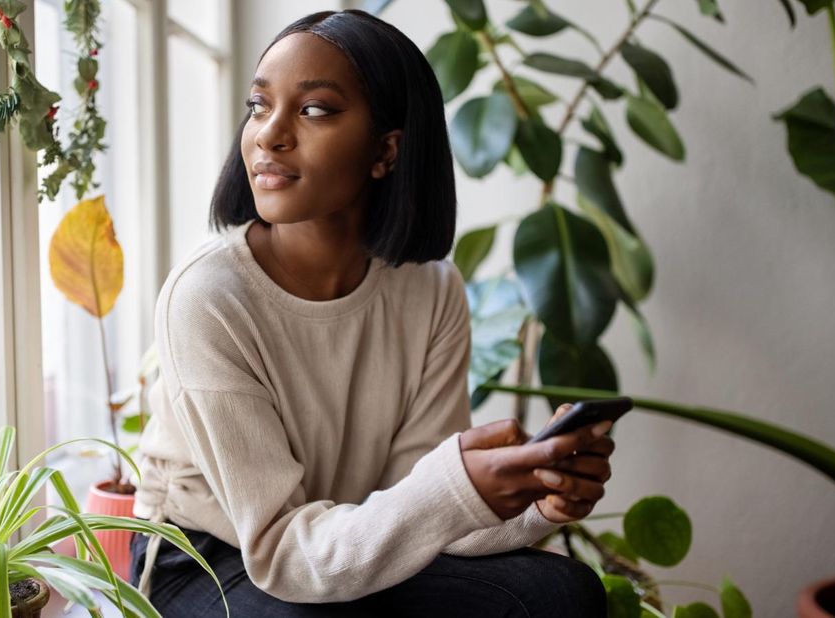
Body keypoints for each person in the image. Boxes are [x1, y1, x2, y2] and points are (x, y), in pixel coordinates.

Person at [128, 8, 614, 617]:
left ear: (386, 151)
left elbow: (420, 511)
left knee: (562, 593)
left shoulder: (431, 290)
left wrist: (539, 499)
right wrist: (449, 490)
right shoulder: (207, 297)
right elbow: (281, 551)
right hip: (212, 557)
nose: (268, 134)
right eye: (258, 105)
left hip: (348, 537)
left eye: (313, 110)